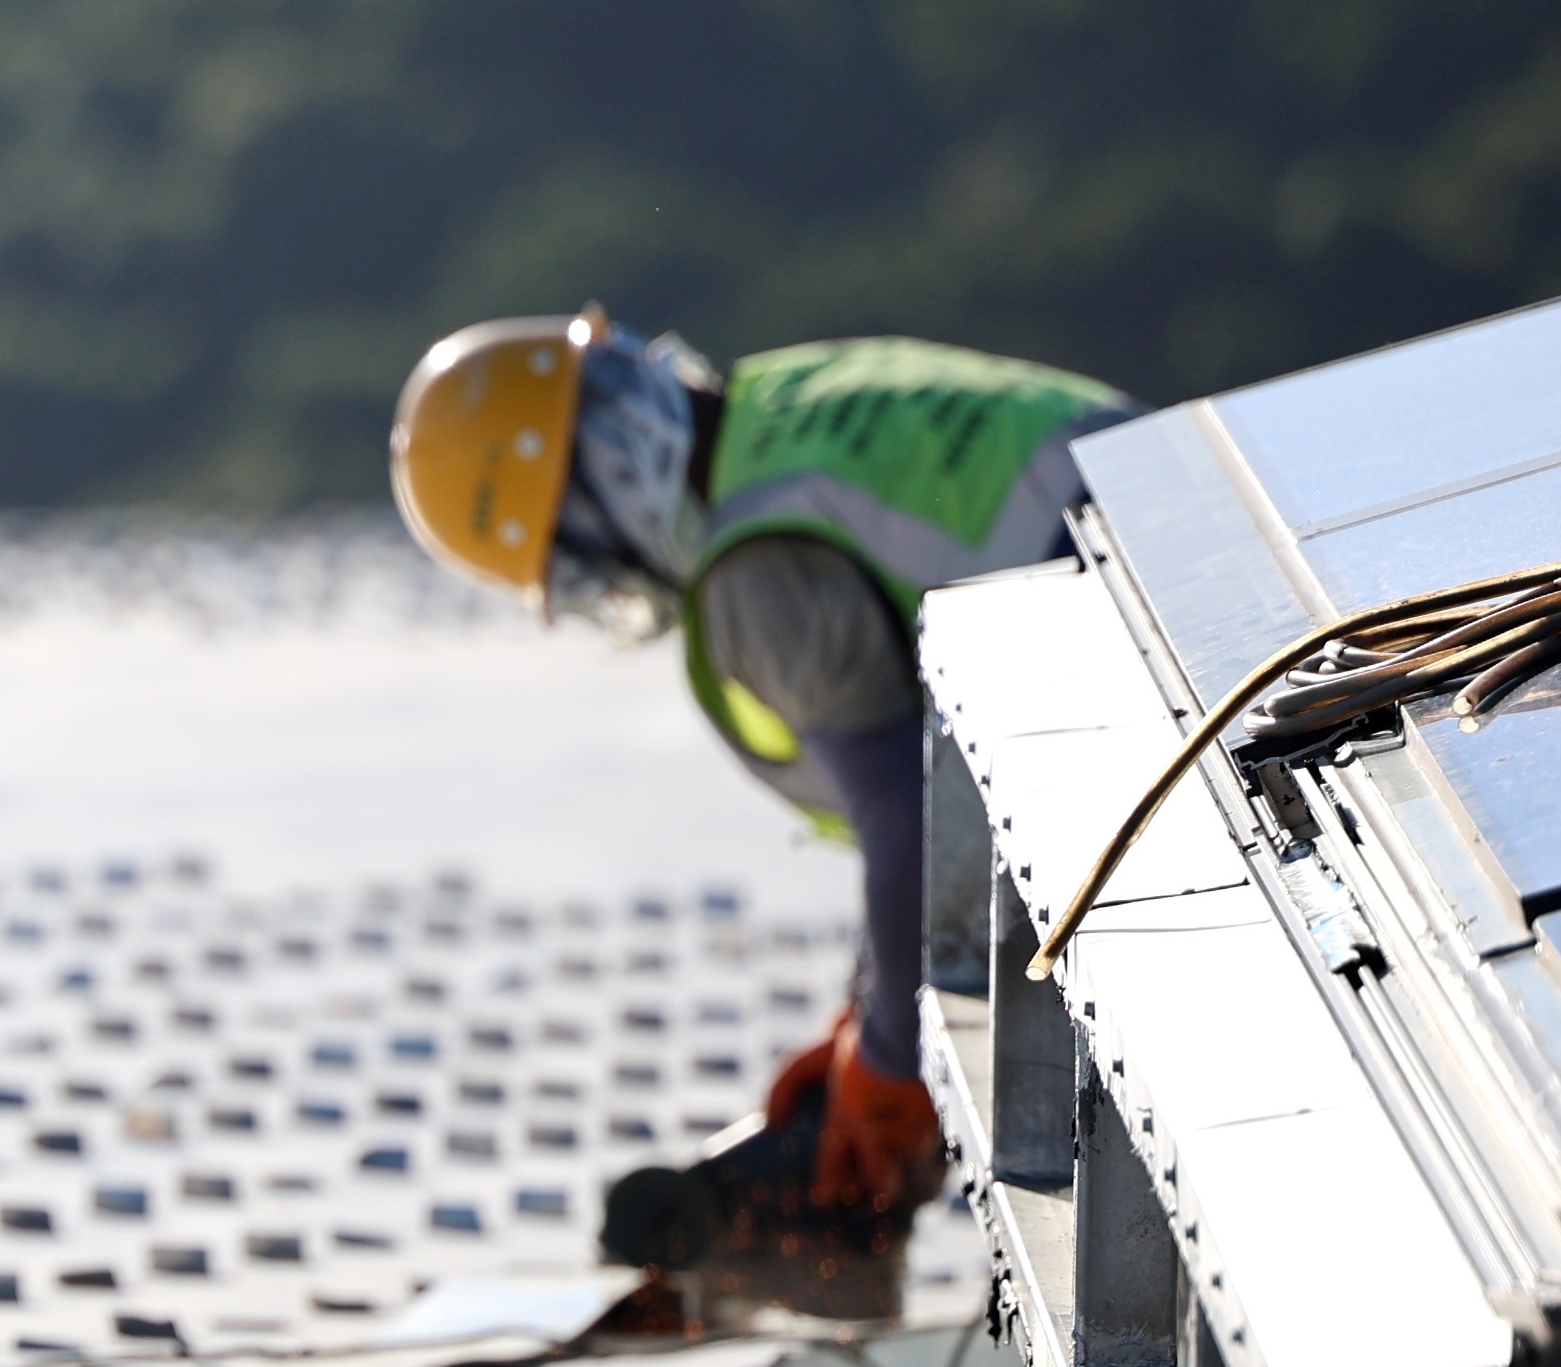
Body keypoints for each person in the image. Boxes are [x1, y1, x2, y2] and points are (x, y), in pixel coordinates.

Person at [390, 314, 1131, 1222]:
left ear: (598, 496)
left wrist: (891, 1068)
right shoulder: (785, 404)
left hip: (1155, 686)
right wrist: (868, 1009)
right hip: (1196, 559)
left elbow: (914, 827)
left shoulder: (755, 577)